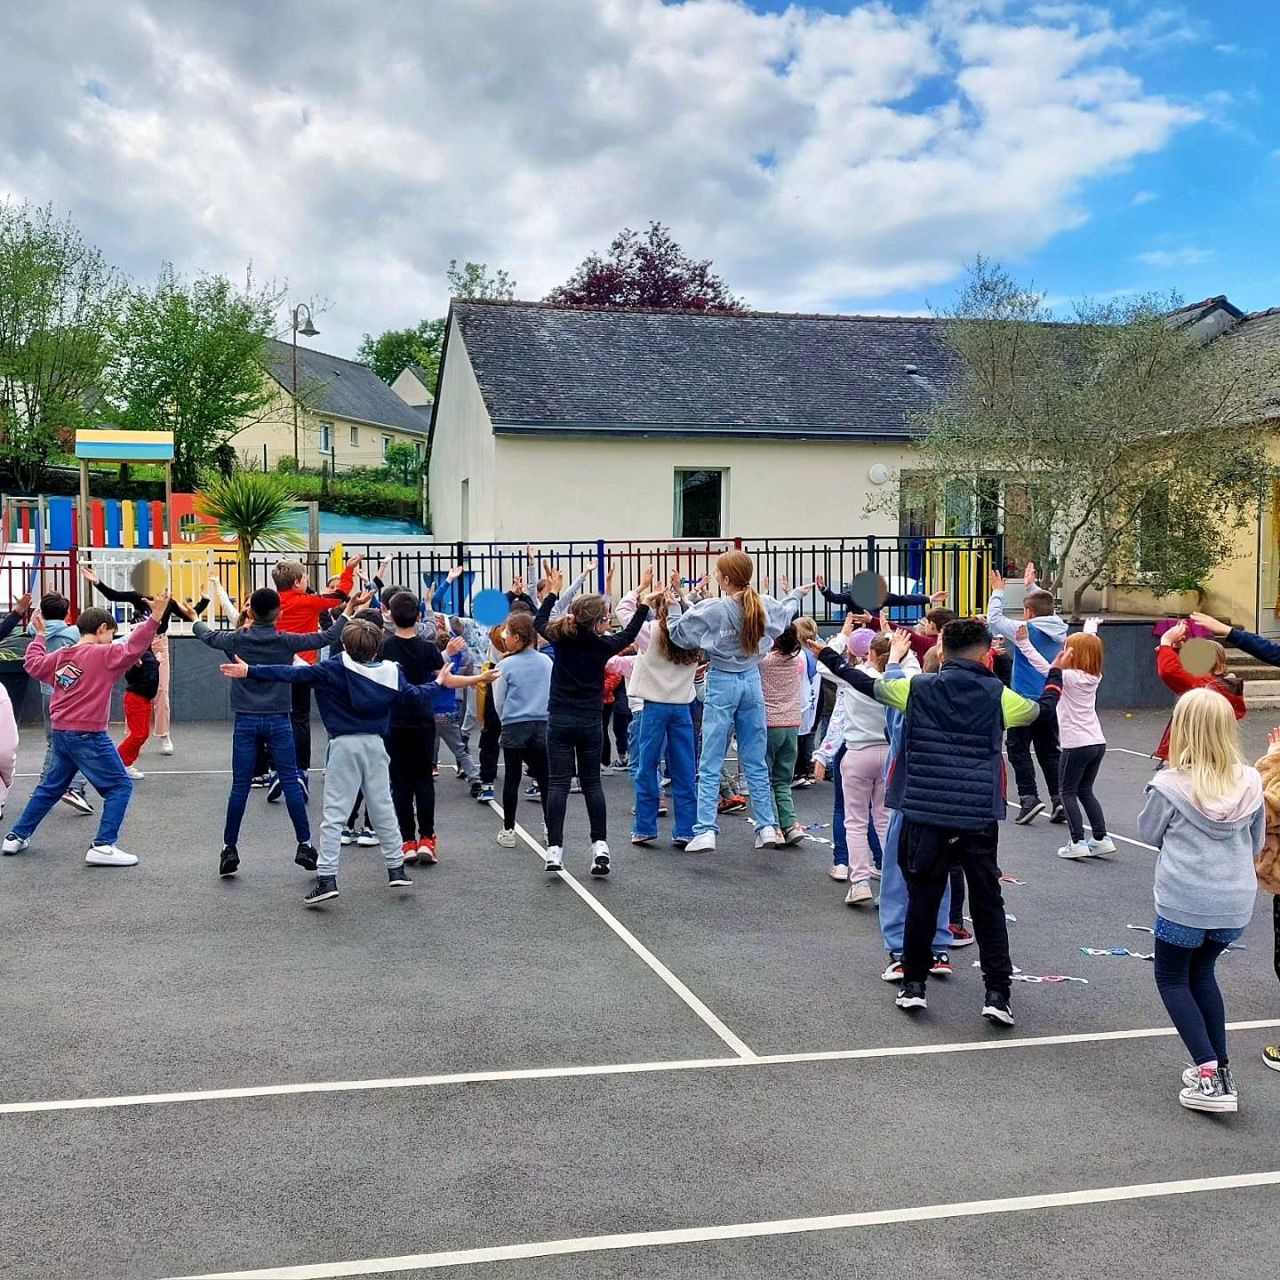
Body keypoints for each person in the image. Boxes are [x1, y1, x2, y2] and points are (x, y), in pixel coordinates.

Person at [813, 617, 1049, 1026]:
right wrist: (1057, 676)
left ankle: (914, 985)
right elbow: (1038, 711)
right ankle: (997, 993)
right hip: (976, 813)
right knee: (987, 903)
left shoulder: (917, 689)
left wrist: (829, 654)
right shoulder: (999, 696)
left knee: (921, 897)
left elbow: (863, 682)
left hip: (925, 810)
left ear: (942, 650)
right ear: (986, 655)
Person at [220, 617, 487, 905]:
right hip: (376, 746)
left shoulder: (332, 668)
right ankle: (396, 869)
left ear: (344, 645)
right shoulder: (391, 671)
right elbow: (414, 696)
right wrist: (437, 683)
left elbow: (289, 674)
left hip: (343, 746)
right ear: (377, 649)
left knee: (335, 815)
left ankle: (327, 878)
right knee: (383, 808)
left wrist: (250, 671)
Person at [1137, 689, 1264, 1114]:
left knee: (1172, 978)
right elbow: (1256, 843)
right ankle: (1219, 1068)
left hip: (1184, 899)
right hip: (1234, 901)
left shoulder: (1168, 785)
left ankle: (1209, 1075)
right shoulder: (1251, 780)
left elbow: (1148, 834)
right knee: (1203, 972)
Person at [194, 582, 359, 877]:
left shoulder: (236, 639)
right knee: (291, 781)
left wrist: (193, 618)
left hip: (246, 719)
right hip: (278, 718)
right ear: (278, 613)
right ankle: (304, 844)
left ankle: (229, 847)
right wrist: (348, 609)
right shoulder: (286, 641)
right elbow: (328, 636)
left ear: (250, 612)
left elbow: (207, 636)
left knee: (240, 786)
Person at [3, 596, 167, 866]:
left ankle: (16, 836)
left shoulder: (62, 656)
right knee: (120, 786)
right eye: (111, 633)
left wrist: (40, 636)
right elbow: (134, 647)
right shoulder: (104, 655)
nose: (112, 639)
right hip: (89, 734)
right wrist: (155, 618)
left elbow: (33, 664)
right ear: (102, 629)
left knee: (50, 788)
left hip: (62, 733)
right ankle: (103, 845)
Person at [670, 553, 808, 852]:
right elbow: (785, 613)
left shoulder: (714, 608)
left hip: (722, 680)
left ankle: (706, 829)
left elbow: (680, 635)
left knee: (711, 759)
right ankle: (767, 826)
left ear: (725, 579)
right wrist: (796, 594)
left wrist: (671, 608)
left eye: (718, 573)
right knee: (755, 759)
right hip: (752, 680)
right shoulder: (763, 604)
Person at [535, 570, 651, 877]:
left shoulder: (561, 639)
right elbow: (629, 634)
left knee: (558, 784)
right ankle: (600, 846)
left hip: (560, 718)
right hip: (589, 720)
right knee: (592, 785)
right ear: (598, 621)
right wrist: (643, 605)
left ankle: (555, 848)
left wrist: (552, 592)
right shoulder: (602, 646)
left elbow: (539, 620)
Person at [382, 591, 491, 863]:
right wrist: (479, 677)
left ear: (390, 616)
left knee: (400, 783)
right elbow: (447, 680)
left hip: (394, 722)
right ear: (419, 617)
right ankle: (427, 839)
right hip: (422, 720)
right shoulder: (427, 648)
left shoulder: (384, 648)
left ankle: (407, 841)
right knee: (423, 780)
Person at [79, 564, 209, 757]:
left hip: (159, 644)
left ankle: (163, 734)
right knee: (136, 689)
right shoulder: (138, 597)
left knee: (161, 691)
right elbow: (114, 595)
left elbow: (191, 615)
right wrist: (97, 581)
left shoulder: (169, 602)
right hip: (138, 644)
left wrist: (205, 599)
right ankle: (132, 735)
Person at [1015, 619, 1116, 860]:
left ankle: (1077, 841)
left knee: (1067, 792)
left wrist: (1024, 644)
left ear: (1074, 655)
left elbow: (1043, 667)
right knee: (1085, 790)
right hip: (1097, 741)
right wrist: (1090, 630)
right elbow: (1090, 646)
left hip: (1076, 744)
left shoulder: (1067, 677)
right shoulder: (1094, 675)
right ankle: (1101, 838)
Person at [271, 555, 361, 793]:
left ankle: (276, 769)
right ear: (297, 582)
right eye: (305, 578)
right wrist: (348, 570)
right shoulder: (308, 602)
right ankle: (301, 770)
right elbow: (339, 595)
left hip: (273, 667)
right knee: (300, 718)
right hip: (302, 667)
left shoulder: (271, 602)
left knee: (276, 717)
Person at [987, 565, 1067, 824]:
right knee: (1049, 751)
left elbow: (994, 619)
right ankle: (1059, 799)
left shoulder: (1024, 629)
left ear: (1028, 613)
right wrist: (1031, 587)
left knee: (1017, 749)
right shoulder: (1060, 629)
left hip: (1023, 699)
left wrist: (998, 592)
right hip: (1050, 697)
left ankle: (1029, 797)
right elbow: (1045, 604)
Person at [629, 591, 700, 848]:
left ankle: (645, 827)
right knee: (685, 768)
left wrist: (645, 596)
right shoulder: (693, 634)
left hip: (654, 706)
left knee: (647, 767)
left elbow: (624, 613)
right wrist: (683, 599)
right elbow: (695, 611)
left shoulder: (651, 631)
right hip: (682, 706)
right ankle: (687, 829)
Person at [832, 631, 896, 906]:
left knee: (856, 821)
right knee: (885, 820)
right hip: (888, 753)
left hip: (858, 751)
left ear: (870, 653)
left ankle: (859, 881)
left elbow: (825, 666)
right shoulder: (898, 679)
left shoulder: (855, 677)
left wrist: (843, 636)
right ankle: (890, 884)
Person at [23, 592, 93, 816]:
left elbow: (34, 623)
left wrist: (42, 607)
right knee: (78, 741)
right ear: (67, 612)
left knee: (53, 742)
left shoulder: (36, 631)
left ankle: (44, 788)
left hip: (47, 692)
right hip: (70, 693)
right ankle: (74, 788)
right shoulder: (73, 633)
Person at [492, 611, 553, 847]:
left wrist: (506, 719)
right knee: (545, 779)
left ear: (516, 638)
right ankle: (550, 827)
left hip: (514, 725)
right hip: (542, 723)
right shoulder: (546, 661)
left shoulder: (505, 665)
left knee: (512, 778)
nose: (504, 638)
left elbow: (499, 701)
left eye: (506, 634)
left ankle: (509, 830)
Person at [1153, 621, 1246, 760]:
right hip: (1211, 752)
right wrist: (1176, 649)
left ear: (1219, 668)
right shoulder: (1221, 687)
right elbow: (1181, 671)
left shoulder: (1207, 686)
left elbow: (1170, 671)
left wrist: (1166, 642)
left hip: (1195, 755)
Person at [760, 623, 808, 846]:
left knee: (765, 778)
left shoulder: (764, 661)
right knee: (783, 779)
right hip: (792, 723)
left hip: (770, 723)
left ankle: (773, 827)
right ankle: (790, 824)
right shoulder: (796, 661)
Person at [115, 643, 159, 780]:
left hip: (143, 697)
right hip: (136, 697)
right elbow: (129, 676)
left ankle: (124, 763)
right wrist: (135, 666)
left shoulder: (146, 651)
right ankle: (119, 762)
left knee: (142, 734)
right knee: (138, 734)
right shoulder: (137, 652)